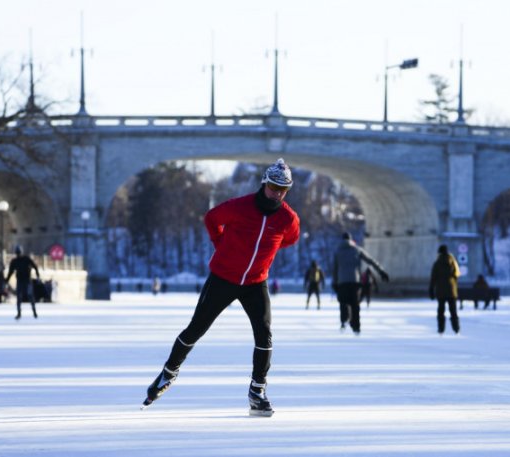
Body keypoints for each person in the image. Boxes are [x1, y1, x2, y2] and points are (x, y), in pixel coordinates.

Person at [143, 158, 300, 417]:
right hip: (223, 278)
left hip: (255, 282)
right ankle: (168, 374)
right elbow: (212, 218)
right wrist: (222, 244)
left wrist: (264, 253)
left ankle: (257, 391)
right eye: (273, 187)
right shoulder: (240, 206)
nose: (277, 193)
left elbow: (290, 239)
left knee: (265, 334)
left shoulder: (287, 218)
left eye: (283, 190)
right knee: (197, 328)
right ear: (264, 183)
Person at [332, 232, 389, 334]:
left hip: (342, 282)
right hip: (355, 281)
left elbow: (335, 269)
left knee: (343, 303)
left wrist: (335, 282)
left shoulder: (337, 251)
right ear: (351, 239)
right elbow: (370, 261)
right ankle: (356, 326)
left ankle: (344, 321)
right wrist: (381, 272)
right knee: (355, 305)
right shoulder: (356, 250)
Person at [429, 244, 460, 334]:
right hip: (451, 290)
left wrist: (431, 289)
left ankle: (441, 329)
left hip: (441, 291)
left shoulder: (437, 263)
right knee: (453, 311)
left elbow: (433, 278)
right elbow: (457, 274)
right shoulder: (453, 262)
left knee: (441, 311)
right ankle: (456, 328)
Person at [5, 245, 41, 319]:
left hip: (27, 281)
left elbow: (35, 266)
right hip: (20, 281)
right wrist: (7, 280)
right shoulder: (14, 261)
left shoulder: (26, 259)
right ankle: (19, 313)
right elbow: (10, 271)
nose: (18, 254)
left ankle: (34, 312)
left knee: (30, 296)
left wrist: (38, 276)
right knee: (19, 297)